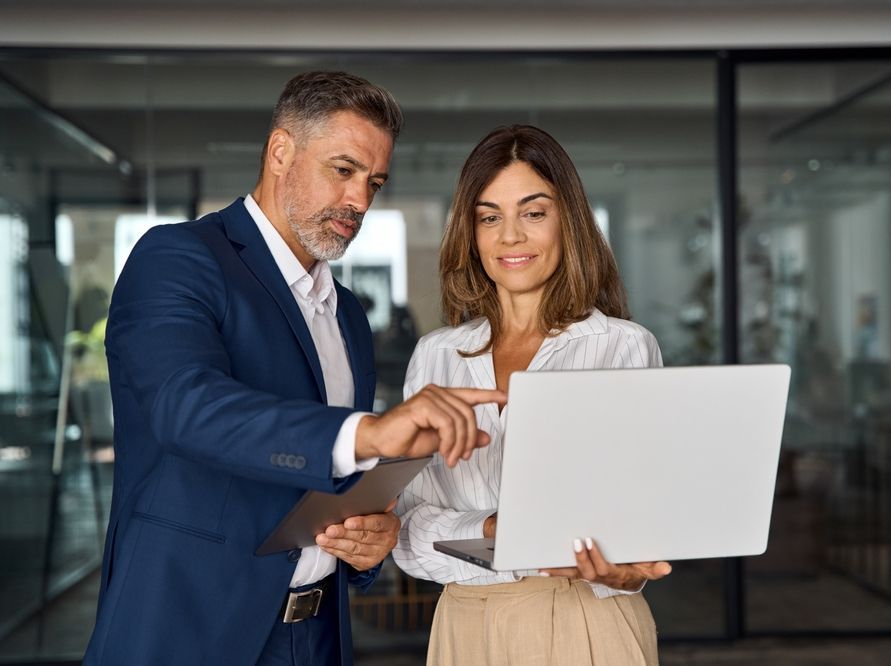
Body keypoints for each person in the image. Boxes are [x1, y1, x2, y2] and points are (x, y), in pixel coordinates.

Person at [83, 71, 504, 666]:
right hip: (186, 632)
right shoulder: (178, 258)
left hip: (316, 637)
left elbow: (330, 489)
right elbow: (185, 406)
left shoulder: (348, 315)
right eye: (344, 169)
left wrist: (368, 544)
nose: (360, 200)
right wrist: (369, 432)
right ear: (281, 151)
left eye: (374, 182)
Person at [393, 125, 672, 665]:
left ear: (568, 222)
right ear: (470, 234)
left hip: (587, 620)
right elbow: (407, 534)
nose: (510, 236)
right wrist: (494, 530)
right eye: (489, 216)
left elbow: (644, 524)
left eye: (534, 213)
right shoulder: (436, 356)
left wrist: (624, 571)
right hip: (464, 626)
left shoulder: (622, 348)